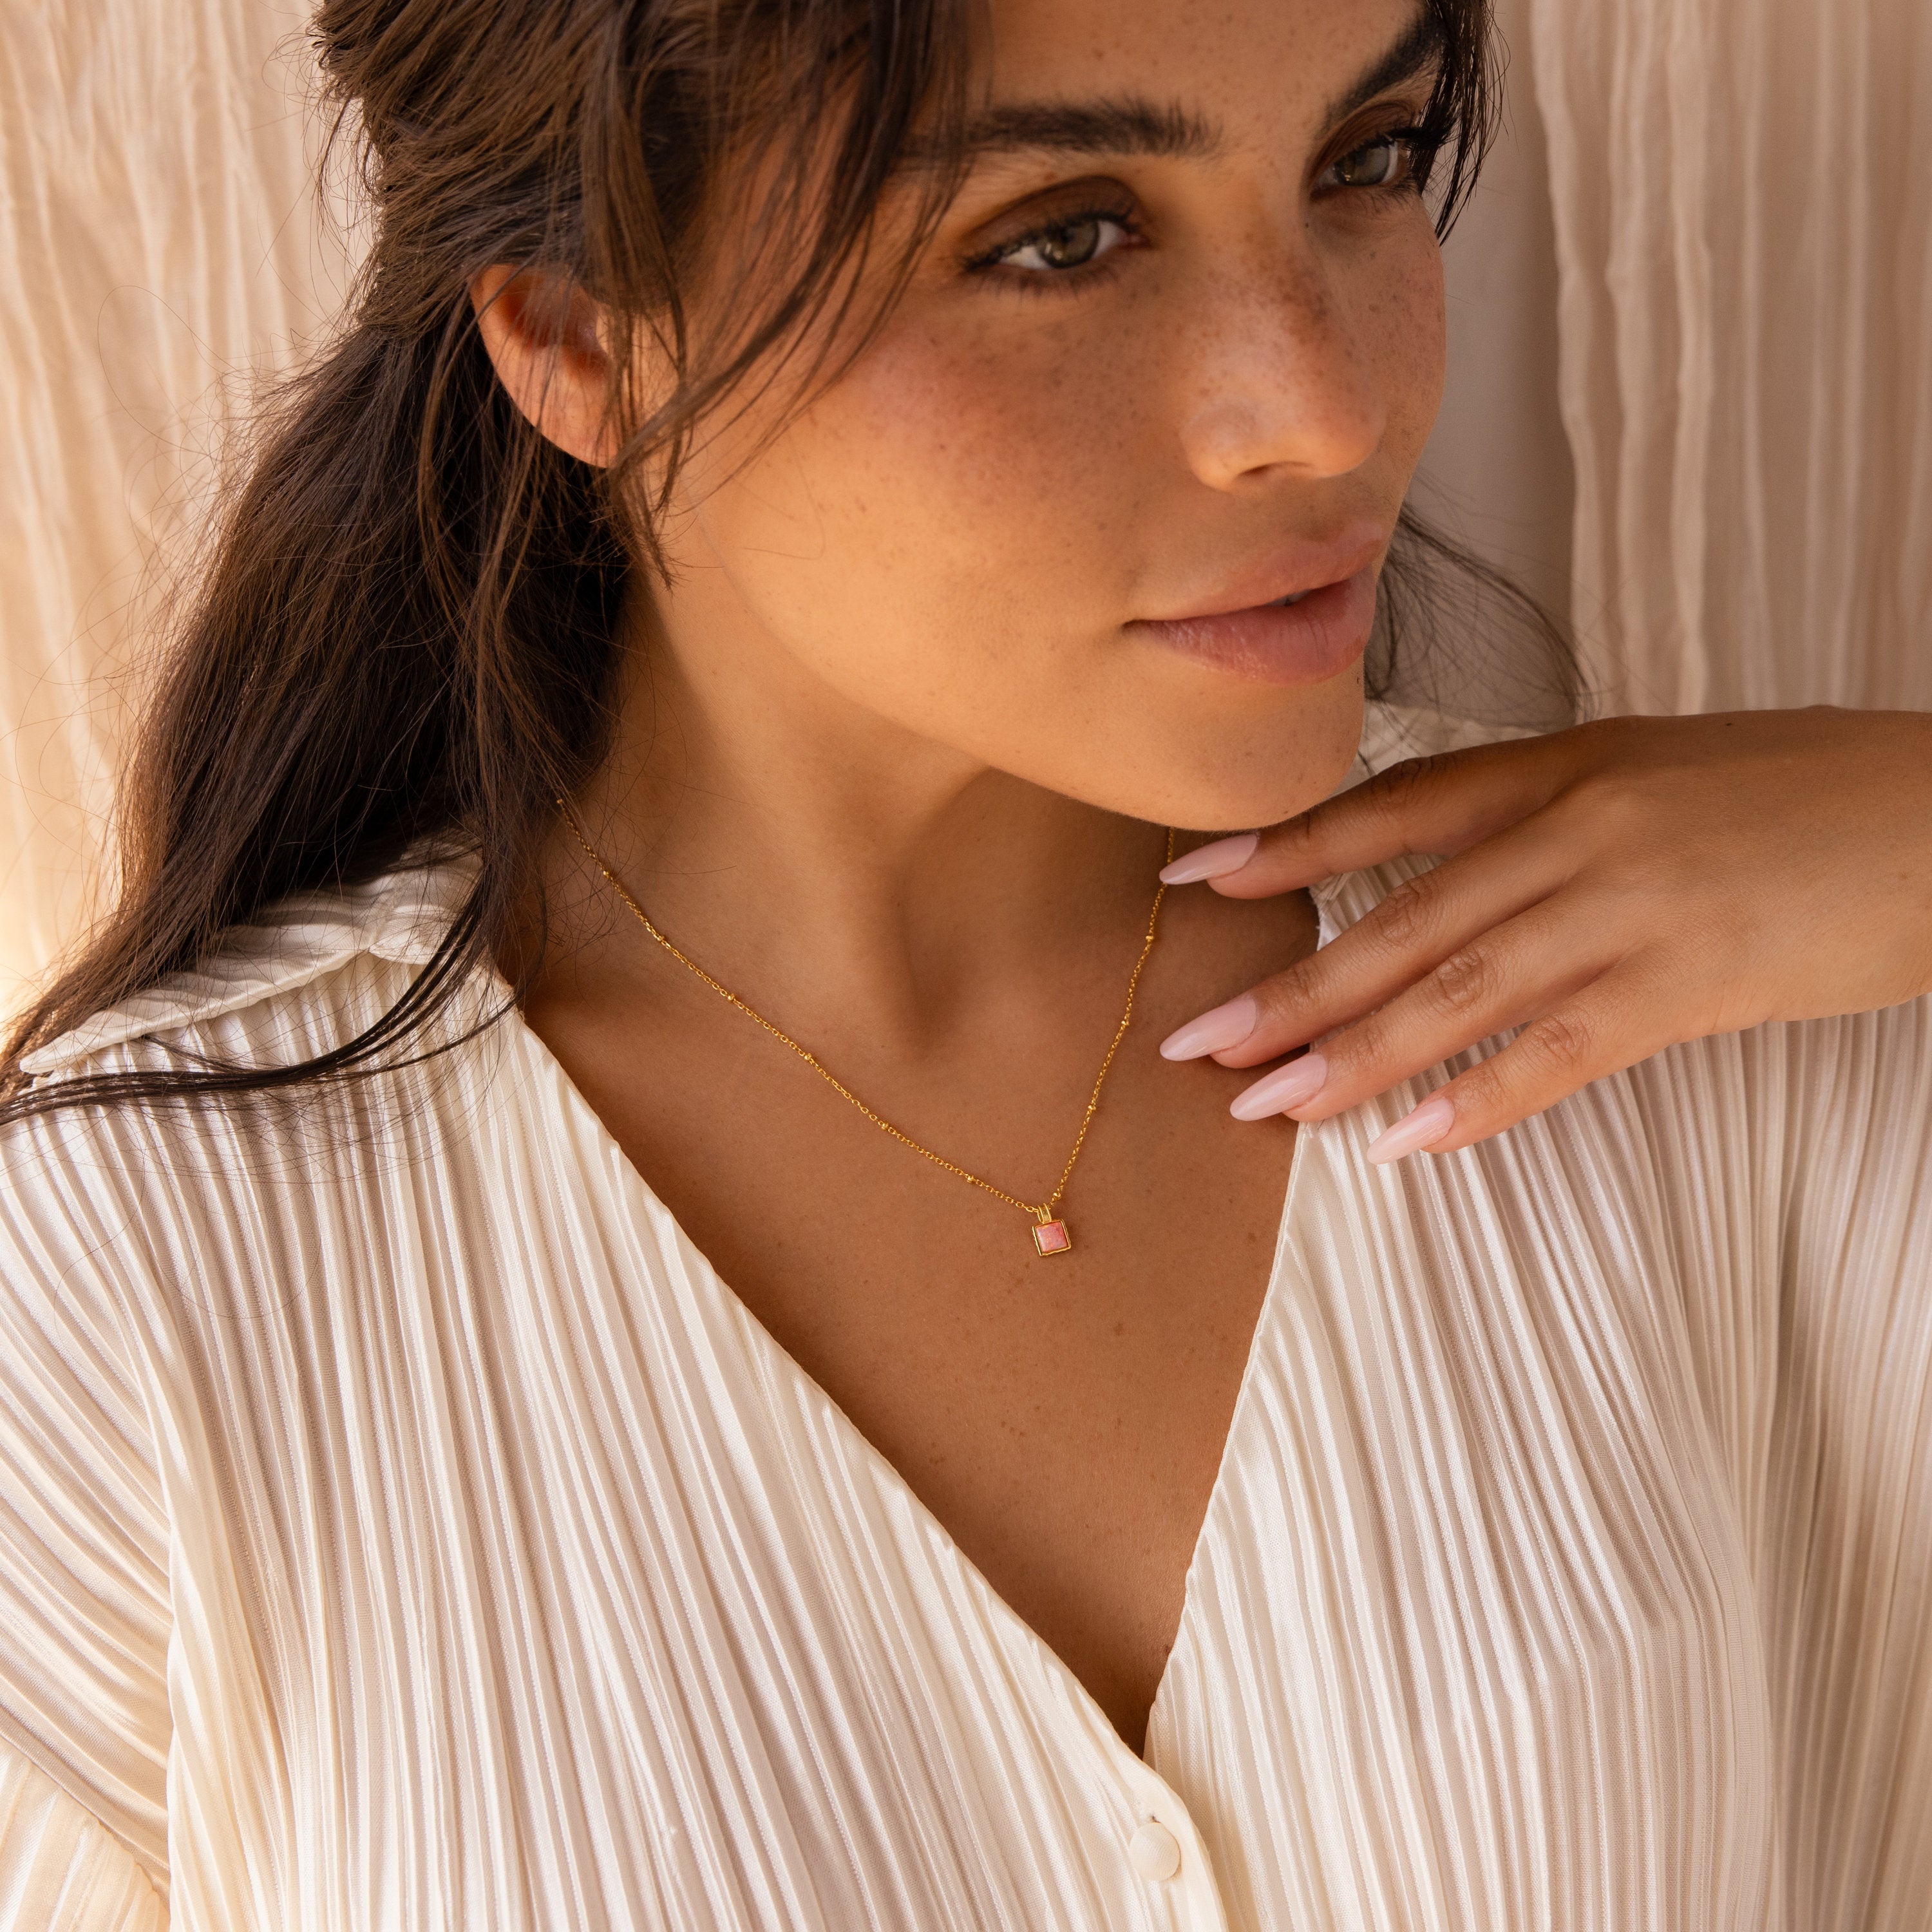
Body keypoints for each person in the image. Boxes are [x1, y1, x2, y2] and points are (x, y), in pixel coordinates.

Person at [0, 0, 1926, 1926]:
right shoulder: (132, 1280)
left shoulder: (1716, 1004)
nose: (1331, 410)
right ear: (580, 337)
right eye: (1060, 236)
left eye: (1365, 161)